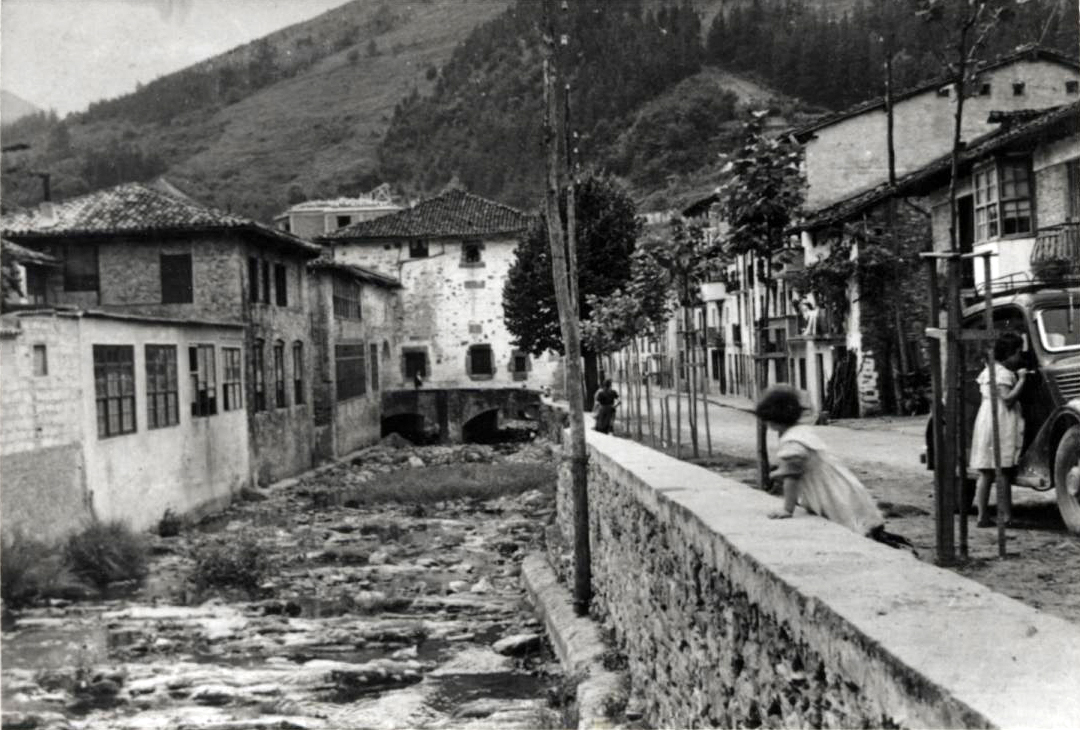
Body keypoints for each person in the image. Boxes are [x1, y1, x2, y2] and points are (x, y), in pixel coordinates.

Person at [757, 385, 912, 550]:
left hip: (829, 493)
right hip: (839, 485)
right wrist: (780, 472)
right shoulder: (801, 432)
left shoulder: (791, 442)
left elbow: (792, 477)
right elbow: (800, 467)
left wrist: (787, 509)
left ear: (773, 419)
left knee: (848, 527)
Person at [969, 332, 1028, 528]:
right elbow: (1008, 399)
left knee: (986, 472)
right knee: (1002, 471)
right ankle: (1006, 516)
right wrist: (1021, 379)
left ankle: (982, 516)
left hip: (986, 418)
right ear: (1009, 354)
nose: (1019, 357)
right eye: (1018, 353)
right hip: (1000, 419)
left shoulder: (988, 371)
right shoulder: (1002, 373)